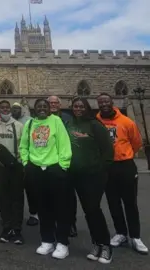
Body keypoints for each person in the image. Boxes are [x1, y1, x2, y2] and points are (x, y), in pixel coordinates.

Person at [20, 98, 72, 259]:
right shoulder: (29, 124)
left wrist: (63, 166)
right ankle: (47, 240)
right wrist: (26, 162)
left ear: (50, 109)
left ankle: (63, 243)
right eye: (39, 106)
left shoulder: (56, 121)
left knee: (60, 208)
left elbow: (64, 144)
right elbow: (23, 146)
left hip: (54, 169)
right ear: (34, 109)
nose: (42, 108)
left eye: (45, 106)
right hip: (36, 170)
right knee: (43, 208)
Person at [96, 93, 148, 255]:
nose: (104, 104)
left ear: (112, 102)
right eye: (101, 102)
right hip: (107, 167)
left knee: (130, 202)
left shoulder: (126, 121)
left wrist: (124, 154)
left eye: (106, 101)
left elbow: (136, 142)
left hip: (125, 166)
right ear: (98, 105)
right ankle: (121, 233)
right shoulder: (96, 123)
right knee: (113, 202)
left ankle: (135, 236)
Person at [66, 97, 114, 263]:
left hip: (94, 176)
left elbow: (108, 152)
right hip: (76, 176)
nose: (78, 109)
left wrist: (100, 170)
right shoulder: (69, 125)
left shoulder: (95, 125)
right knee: (88, 211)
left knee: (94, 209)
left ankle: (106, 245)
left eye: (81, 106)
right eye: (75, 106)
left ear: (86, 108)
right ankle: (96, 244)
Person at [0, 100, 25, 244]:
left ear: (11, 109)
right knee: (2, 197)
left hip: (16, 166)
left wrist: (22, 163)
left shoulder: (19, 126)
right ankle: (7, 226)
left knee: (17, 198)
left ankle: (17, 229)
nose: (5, 110)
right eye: (2, 108)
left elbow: (24, 146)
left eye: (7, 107)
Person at [48, 95, 77, 236]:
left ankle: (71, 224)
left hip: (66, 161)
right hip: (49, 162)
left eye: (55, 103)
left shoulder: (68, 118)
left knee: (68, 196)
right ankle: (53, 223)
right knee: (52, 195)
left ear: (60, 105)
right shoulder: (42, 119)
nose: (53, 105)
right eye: (50, 103)